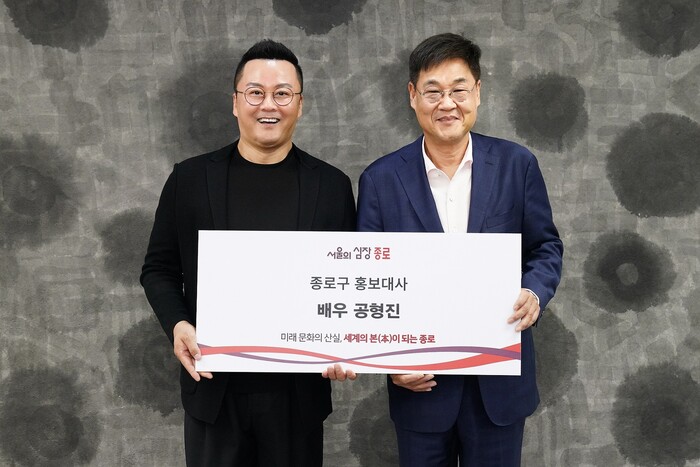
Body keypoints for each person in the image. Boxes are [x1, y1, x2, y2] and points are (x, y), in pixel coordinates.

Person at [141, 39, 356, 467]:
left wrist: (343, 345)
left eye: (282, 93)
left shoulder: (331, 186)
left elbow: (348, 279)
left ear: (300, 104)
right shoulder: (190, 179)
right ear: (235, 102)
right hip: (214, 390)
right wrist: (178, 324)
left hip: (298, 396)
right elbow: (159, 269)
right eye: (255, 92)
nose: (268, 105)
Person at [356, 33, 563, 466]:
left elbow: (545, 247)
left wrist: (534, 291)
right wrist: (389, 362)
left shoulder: (516, 165)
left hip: (499, 386)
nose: (446, 103)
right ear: (413, 96)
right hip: (421, 385)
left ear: (478, 92)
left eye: (459, 90)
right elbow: (367, 281)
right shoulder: (380, 180)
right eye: (433, 91)